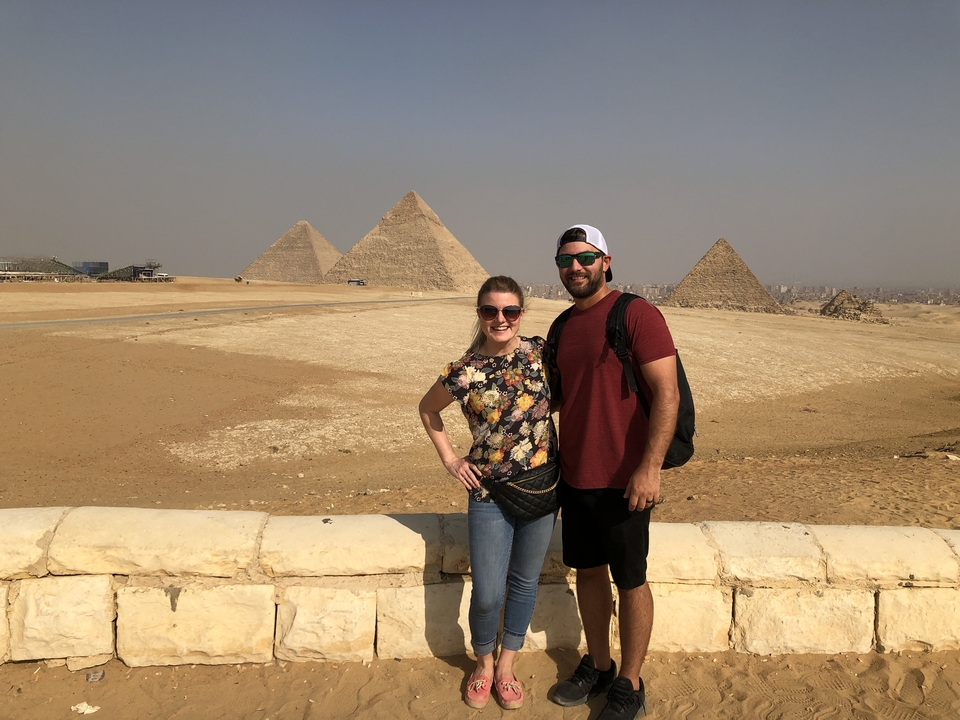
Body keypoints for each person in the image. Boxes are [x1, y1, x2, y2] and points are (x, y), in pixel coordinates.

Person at [547, 225, 680, 720]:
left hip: (626, 477)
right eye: (564, 261)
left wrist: (650, 468)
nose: (574, 268)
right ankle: (599, 664)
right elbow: (559, 397)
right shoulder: (562, 327)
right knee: (587, 571)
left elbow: (667, 394)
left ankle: (629, 680)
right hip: (576, 474)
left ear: (605, 260)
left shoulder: (636, 314)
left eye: (584, 258)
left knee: (630, 579)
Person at [418, 275, 558, 711]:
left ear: (521, 313)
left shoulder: (539, 352)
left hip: (541, 487)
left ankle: (506, 666)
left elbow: (566, 397)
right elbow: (427, 409)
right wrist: (450, 460)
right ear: (478, 313)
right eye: (490, 311)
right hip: (488, 494)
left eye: (510, 311)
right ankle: (482, 662)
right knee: (487, 592)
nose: (501, 319)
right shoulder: (463, 372)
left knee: (524, 582)